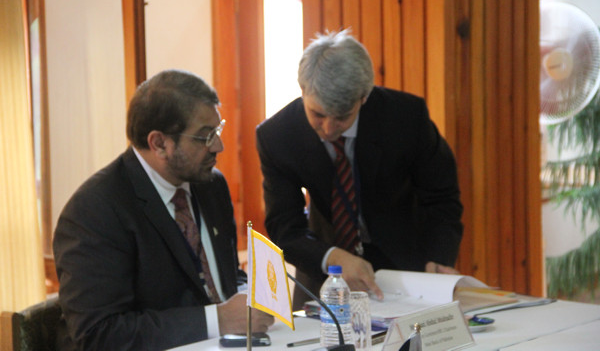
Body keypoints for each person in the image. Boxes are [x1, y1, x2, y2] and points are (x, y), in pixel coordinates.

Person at [53, 69, 273, 350]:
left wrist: (247, 295)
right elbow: (99, 334)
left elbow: (223, 277)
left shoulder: (211, 185)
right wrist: (218, 320)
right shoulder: (94, 211)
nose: (219, 146)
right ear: (159, 144)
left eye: (217, 130)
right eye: (205, 136)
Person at [256, 29, 464, 308]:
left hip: (404, 262)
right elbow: (285, 226)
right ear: (302, 90)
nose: (328, 128)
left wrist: (437, 258)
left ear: (364, 97)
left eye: (342, 117)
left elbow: (441, 197)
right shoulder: (278, 136)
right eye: (318, 114)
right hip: (325, 265)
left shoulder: (405, 117)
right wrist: (332, 257)